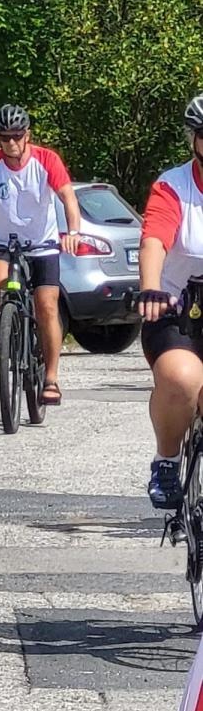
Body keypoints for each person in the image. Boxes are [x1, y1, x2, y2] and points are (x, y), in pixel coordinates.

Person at [0, 105, 81, 406]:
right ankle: (2, 326)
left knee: (47, 305)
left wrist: (72, 232)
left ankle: (51, 377)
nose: (10, 143)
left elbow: (68, 197)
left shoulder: (47, 160)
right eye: (4, 137)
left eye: (16, 136)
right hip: (6, 243)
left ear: (27, 136)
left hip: (42, 243)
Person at [137, 96, 203, 509]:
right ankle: (166, 459)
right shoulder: (173, 186)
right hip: (176, 306)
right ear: (195, 140)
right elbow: (155, 238)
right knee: (181, 379)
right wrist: (151, 288)